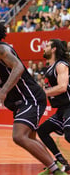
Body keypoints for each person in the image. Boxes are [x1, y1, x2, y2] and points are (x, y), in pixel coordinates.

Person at [0, 20, 67, 175]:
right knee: (30, 138)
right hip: (22, 101)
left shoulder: (1, 49)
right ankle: (54, 166)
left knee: (19, 136)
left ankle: (56, 170)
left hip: (31, 97)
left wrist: (4, 91)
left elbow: (18, 67)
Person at [37, 39, 70, 173]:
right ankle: (61, 160)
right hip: (62, 109)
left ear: (54, 49)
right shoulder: (49, 69)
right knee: (42, 131)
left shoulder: (60, 65)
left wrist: (42, 92)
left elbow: (62, 87)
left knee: (69, 135)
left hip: (69, 105)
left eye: (48, 46)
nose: (44, 48)